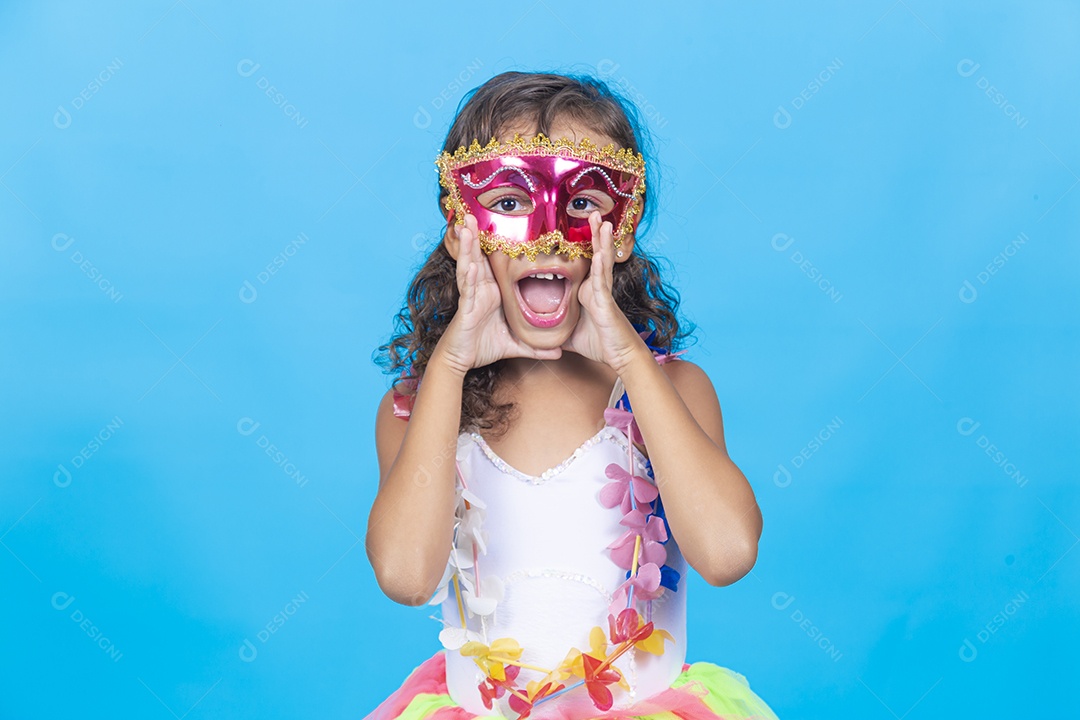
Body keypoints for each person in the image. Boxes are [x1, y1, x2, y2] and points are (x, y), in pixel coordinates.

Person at [365, 71, 779, 720]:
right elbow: (405, 577)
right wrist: (449, 363)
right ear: (458, 226)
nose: (545, 235)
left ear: (626, 224)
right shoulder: (418, 409)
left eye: (584, 203)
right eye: (507, 202)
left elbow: (728, 553)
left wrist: (630, 361)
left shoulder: (673, 388)